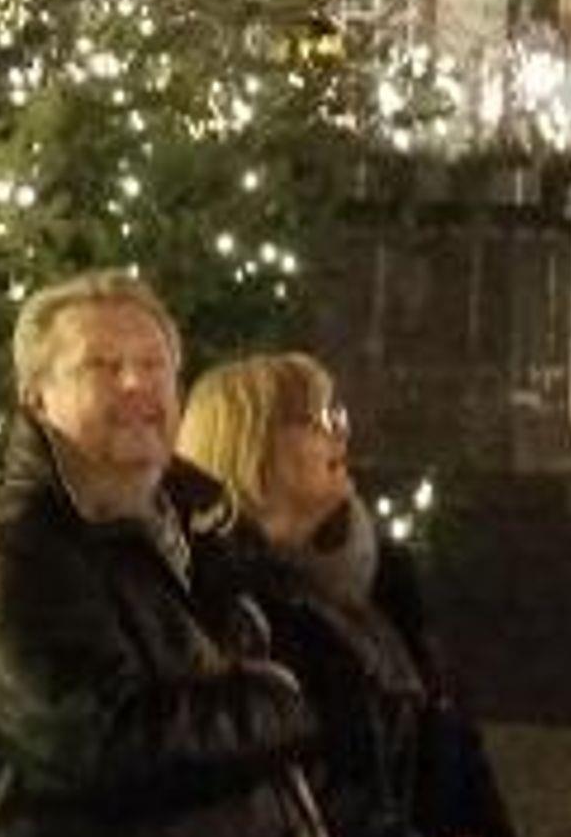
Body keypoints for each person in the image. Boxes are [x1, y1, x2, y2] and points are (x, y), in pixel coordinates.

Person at [0, 269, 325, 837]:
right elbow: (95, 748)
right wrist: (279, 703)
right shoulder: (14, 546)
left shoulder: (203, 520)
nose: (136, 382)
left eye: (153, 364)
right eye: (102, 366)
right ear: (36, 399)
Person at [180, 353, 517, 837]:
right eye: (312, 419)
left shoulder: (382, 580)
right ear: (250, 446)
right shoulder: (224, 608)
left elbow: (453, 755)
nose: (339, 432)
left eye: (336, 414)